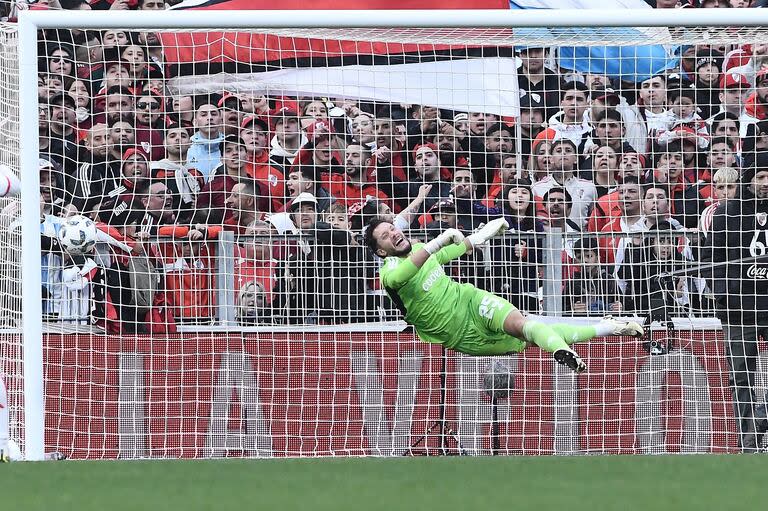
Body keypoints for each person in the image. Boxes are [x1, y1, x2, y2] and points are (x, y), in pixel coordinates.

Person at [364, 217, 644, 373]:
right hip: (460, 337)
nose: (394, 234)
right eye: (386, 236)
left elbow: (457, 248)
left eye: (393, 228)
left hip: (470, 301)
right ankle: (608, 327)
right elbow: (406, 273)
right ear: (381, 251)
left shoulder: (420, 249)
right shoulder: (390, 271)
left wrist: (482, 234)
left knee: (522, 325)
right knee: (533, 335)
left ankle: (564, 349)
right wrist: (437, 242)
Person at [703, 153, 768, 452]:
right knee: (740, 378)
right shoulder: (728, 214)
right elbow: (709, 259)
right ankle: (748, 444)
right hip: (738, 309)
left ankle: (762, 416)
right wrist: (721, 292)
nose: (765, 183)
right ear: (749, 181)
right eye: (760, 177)